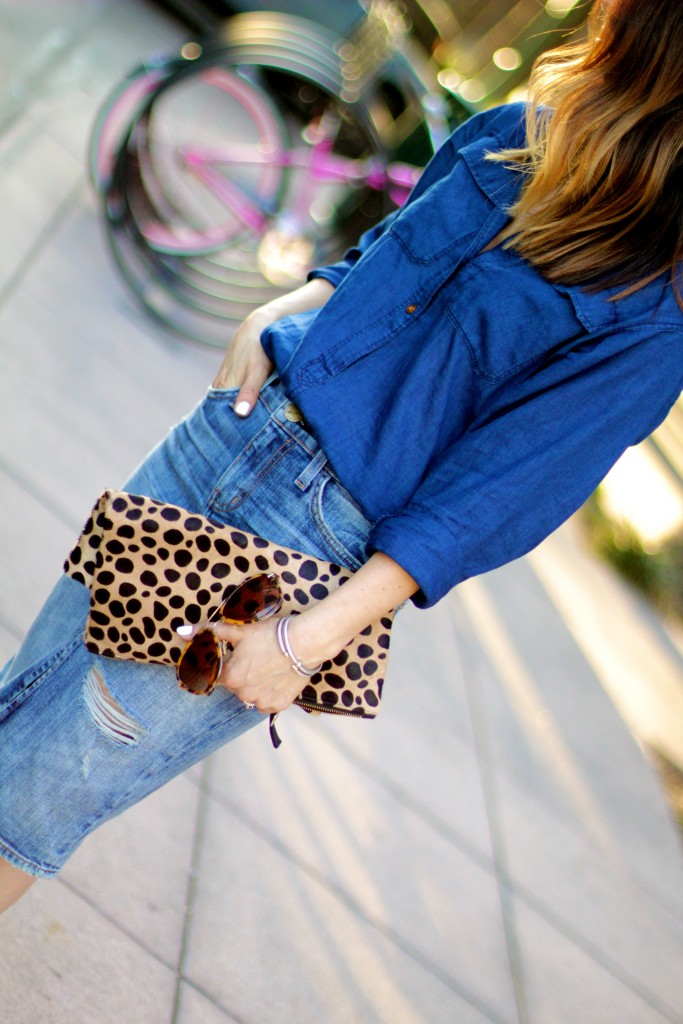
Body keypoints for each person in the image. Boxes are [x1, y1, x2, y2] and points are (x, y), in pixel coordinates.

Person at [1, 0, 681, 912]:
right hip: (231, 432)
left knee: (40, 794)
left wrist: (307, 638)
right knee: (25, 698)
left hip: (307, 546)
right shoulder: (518, 132)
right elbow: (389, 248)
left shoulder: (655, 307)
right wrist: (289, 303)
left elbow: (499, 494)